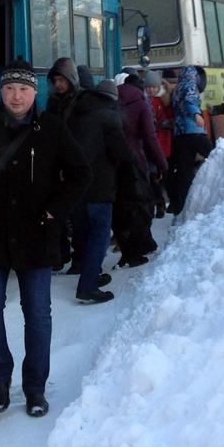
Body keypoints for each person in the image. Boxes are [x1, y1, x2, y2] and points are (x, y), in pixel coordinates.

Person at [0, 59, 90, 418]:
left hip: (36, 236)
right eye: (9, 88)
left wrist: (56, 210)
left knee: (38, 314)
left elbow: (80, 172)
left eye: (24, 88)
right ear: (1, 90)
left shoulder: (52, 128)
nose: (16, 96)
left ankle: (35, 388)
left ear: (35, 92)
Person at [45, 58, 136, 303]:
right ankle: (87, 285)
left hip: (77, 185)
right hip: (100, 185)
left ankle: (92, 273)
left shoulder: (76, 113)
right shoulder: (108, 115)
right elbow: (120, 152)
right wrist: (133, 157)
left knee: (85, 233)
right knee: (100, 234)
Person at [116, 76, 165, 265]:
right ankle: (140, 246)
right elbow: (150, 138)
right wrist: (162, 164)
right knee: (141, 204)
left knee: (123, 205)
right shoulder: (142, 104)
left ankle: (136, 244)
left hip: (117, 159)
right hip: (136, 160)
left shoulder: (115, 100)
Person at [164, 65, 211, 219]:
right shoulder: (191, 85)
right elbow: (190, 101)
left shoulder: (177, 88)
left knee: (184, 172)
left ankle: (180, 207)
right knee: (216, 156)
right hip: (194, 131)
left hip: (180, 135)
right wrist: (197, 114)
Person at [145, 70, 173, 216]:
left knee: (162, 176)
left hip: (162, 143)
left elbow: (171, 117)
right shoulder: (145, 100)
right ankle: (158, 204)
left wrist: (167, 123)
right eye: (148, 87)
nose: (151, 89)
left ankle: (161, 203)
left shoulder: (164, 100)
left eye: (153, 87)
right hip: (151, 143)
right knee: (153, 176)